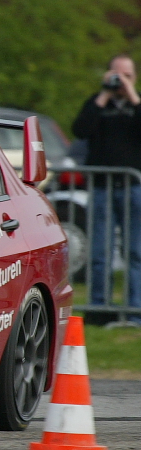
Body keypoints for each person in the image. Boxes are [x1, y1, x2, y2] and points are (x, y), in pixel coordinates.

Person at [72, 54, 141, 324]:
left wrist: (132, 96)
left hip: (133, 187)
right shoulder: (97, 104)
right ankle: (99, 309)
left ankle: (135, 311)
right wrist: (103, 96)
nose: (120, 81)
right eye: (116, 74)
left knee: (135, 252)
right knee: (100, 251)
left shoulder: (137, 104)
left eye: (127, 75)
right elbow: (80, 130)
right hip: (102, 188)